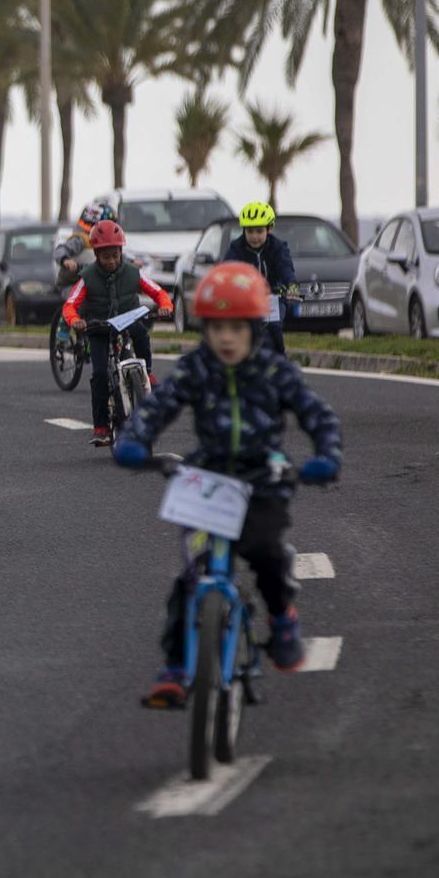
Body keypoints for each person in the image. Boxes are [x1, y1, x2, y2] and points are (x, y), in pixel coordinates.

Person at [115, 262, 343, 706]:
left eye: (237, 327)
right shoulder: (197, 368)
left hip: (264, 477)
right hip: (209, 477)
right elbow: (158, 405)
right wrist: (135, 440)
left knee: (265, 553)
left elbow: (319, 416)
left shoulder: (275, 371)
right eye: (216, 327)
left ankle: (282, 620)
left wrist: (325, 457)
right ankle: (178, 666)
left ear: (255, 328)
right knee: (192, 577)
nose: (226, 337)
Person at [62, 219, 174, 447]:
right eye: (105, 257)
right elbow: (70, 305)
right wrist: (76, 321)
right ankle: (102, 426)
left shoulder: (133, 273)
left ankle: (148, 373)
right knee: (101, 374)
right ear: (96, 255)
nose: (111, 261)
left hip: (128, 320)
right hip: (98, 326)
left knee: (141, 333)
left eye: (115, 255)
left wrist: (165, 306)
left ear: (121, 252)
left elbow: (158, 292)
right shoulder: (87, 277)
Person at [224, 200, 296, 354]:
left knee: (274, 326)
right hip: (245, 299)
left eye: (259, 231)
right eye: (250, 231)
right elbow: (228, 270)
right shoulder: (236, 247)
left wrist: (291, 286)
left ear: (269, 229)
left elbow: (286, 269)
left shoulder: (278, 247)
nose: (254, 236)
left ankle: (281, 362)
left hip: (273, 298)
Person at [53, 200, 116, 285]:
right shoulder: (81, 239)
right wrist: (65, 260)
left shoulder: (107, 243)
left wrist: (131, 261)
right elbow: (60, 250)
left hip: (93, 283)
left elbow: (117, 256)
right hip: (73, 283)